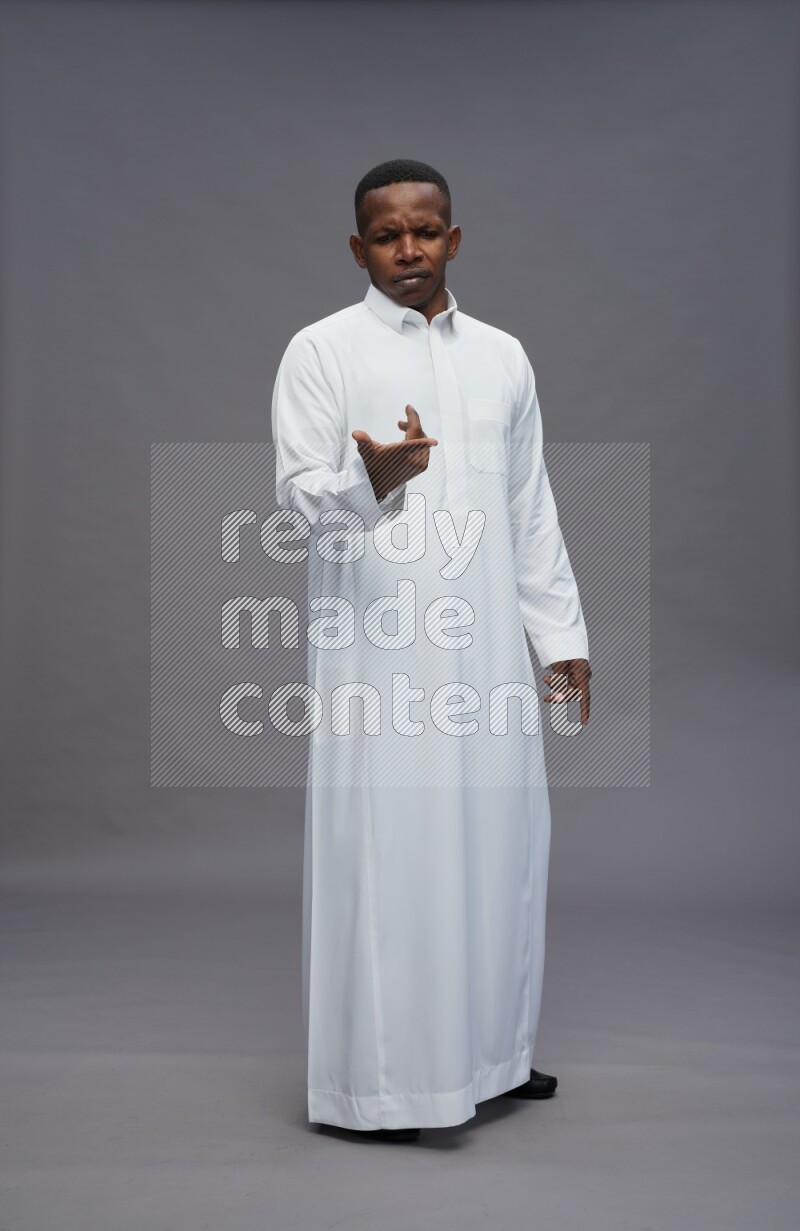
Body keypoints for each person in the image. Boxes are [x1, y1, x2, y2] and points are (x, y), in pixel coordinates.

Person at [271, 158, 592, 1142]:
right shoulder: (320, 352)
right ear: (357, 246)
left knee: (501, 849)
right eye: (385, 232)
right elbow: (295, 505)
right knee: (398, 859)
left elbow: (526, 505)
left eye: (425, 229)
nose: (406, 248)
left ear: (453, 238)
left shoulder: (501, 355)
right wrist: (371, 479)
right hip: (383, 655)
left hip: (489, 651)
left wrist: (560, 634)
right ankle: (392, 1088)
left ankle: (488, 1056)